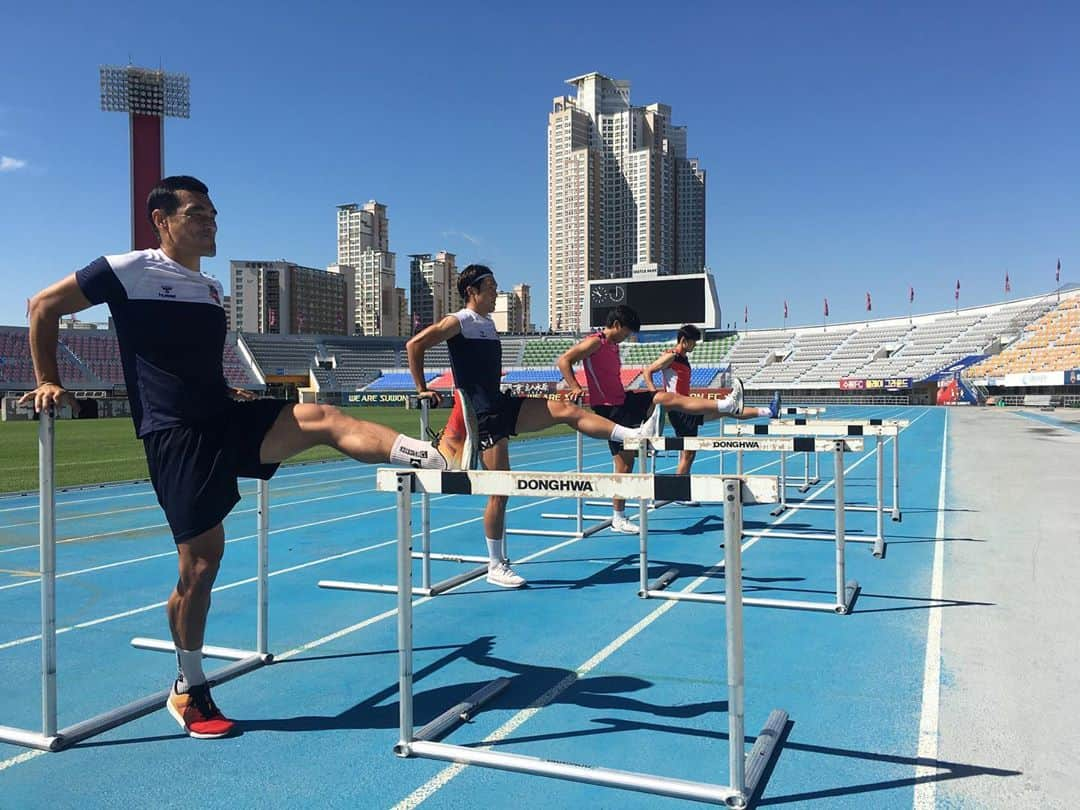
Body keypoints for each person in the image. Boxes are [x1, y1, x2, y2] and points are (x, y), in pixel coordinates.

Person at [18, 176, 463, 741]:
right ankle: (189, 687)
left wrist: (229, 392)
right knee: (200, 566)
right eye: (198, 213)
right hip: (175, 433)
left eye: (214, 213)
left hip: (224, 414)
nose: (211, 222)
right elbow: (42, 306)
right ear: (162, 220)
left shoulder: (206, 288)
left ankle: (431, 458)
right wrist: (48, 380)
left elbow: (195, 363)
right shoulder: (127, 268)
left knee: (322, 418)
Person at [406, 265, 660, 587]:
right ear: (472, 291)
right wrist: (422, 388)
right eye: (491, 286)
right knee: (500, 491)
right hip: (482, 414)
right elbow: (415, 346)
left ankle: (634, 434)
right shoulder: (459, 321)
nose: (496, 291)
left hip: (501, 401)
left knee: (565, 409)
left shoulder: (486, 324)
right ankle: (496, 565)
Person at [644, 324, 781, 502]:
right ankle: (677, 492)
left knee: (727, 413)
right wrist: (654, 395)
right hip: (681, 411)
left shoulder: (682, 358)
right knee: (689, 453)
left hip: (688, 407)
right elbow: (647, 371)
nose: (695, 346)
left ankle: (769, 411)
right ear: (684, 341)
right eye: (693, 342)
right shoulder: (671, 356)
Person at [556, 306, 660, 532]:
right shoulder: (596, 341)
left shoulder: (613, 346)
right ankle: (618, 517)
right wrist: (575, 386)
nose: (626, 337)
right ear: (616, 325)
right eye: (626, 332)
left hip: (621, 401)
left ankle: (648, 435)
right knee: (623, 465)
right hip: (608, 408)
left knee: (659, 398)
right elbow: (564, 360)